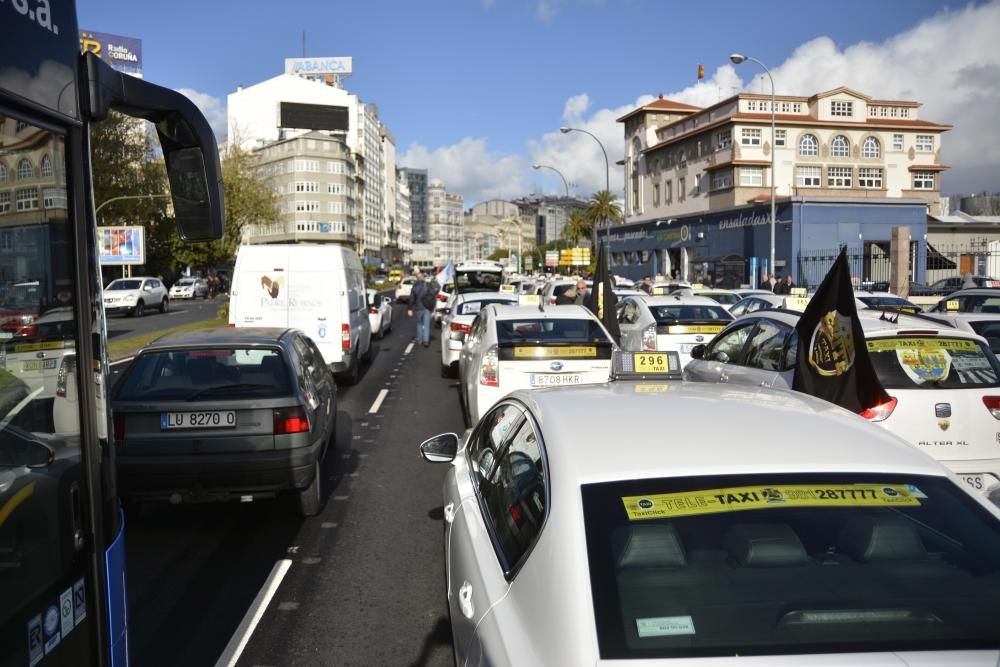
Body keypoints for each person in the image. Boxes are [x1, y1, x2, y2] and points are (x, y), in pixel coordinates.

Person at [407, 270, 432, 347]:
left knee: (419, 324)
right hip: (427, 307)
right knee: (426, 324)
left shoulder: (414, 287)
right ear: (423, 278)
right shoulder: (428, 285)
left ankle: (420, 340)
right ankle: (426, 341)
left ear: (416, 278)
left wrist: (410, 308)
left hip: (418, 308)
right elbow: (432, 295)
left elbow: (411, 298)